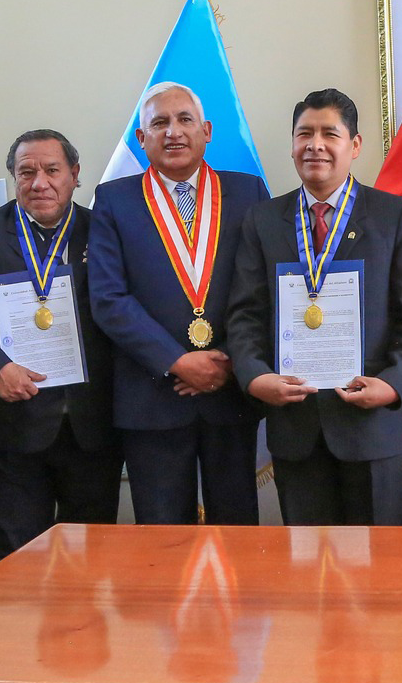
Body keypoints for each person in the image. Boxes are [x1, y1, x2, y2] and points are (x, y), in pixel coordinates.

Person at [227, 89, 402, 525]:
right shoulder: (263, 220)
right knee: (306, 574)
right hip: (295, 426)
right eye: (304, 133)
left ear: (354, 146)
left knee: (376, 571)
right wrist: (255, 377)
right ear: (292, 144)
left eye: (329, 133)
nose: (315, 145)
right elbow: (245, 314)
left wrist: (394, 385)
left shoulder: (394, 216)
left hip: (371, 426)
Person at [88, 82, 270, 525]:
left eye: (185, 120)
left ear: (206, 130)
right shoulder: (114, 200)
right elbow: (109, 299)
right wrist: (177, 361)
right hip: (152, 397)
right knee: (163, 538)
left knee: (237, 527)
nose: (174, 132)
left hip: (229, 394)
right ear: (141, 138)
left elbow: (264, 290)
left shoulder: (249, 194)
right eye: (160, 123)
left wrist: (225, 361)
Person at [0, 130, 119, 564]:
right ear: (13, 178)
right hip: (11, 429)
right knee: (13, 561)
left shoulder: (104, 232)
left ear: (75, 175)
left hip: (91, 428)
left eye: (52, 170)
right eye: (27, 172)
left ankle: (83, 635)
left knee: (92, 558)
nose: (40, 182)